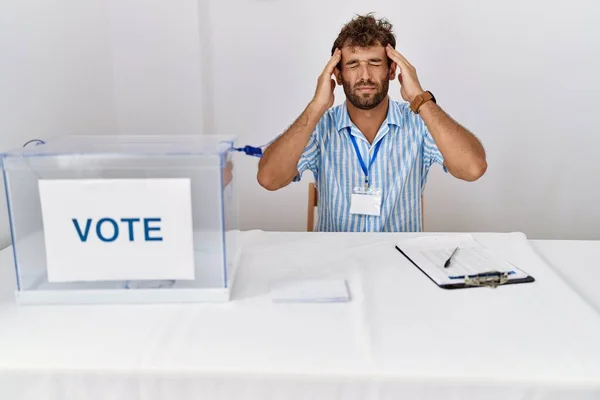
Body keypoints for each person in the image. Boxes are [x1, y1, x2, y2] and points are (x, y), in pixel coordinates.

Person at [257, 14, 487, 232]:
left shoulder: (419, 123)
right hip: (336, 263)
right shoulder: (319, 126)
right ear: (337, 75)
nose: (364, 75)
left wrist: (421, 98)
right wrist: (316, 106)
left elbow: (472, 169)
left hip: (400, 264)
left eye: (375, 63)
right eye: (353, 64)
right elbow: (269, 179)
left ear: (392, 70)